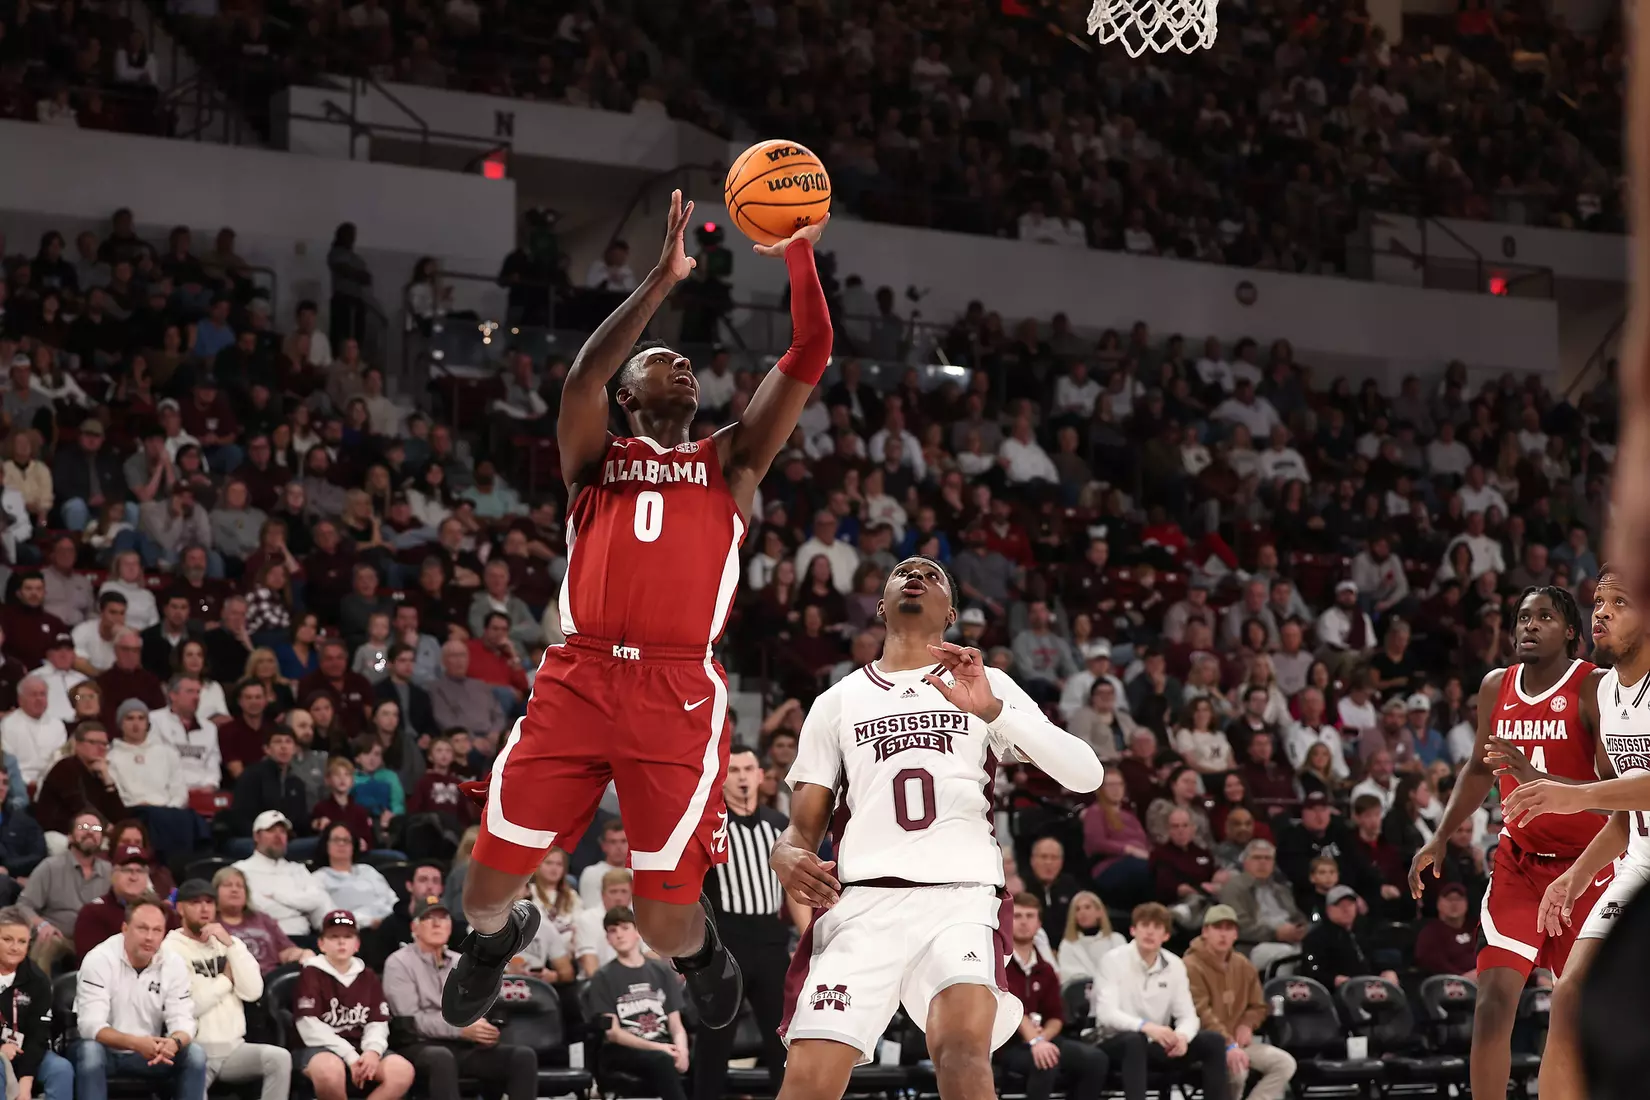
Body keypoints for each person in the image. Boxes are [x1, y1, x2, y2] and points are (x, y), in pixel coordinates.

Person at [447, 193, 833, 1031]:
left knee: (661, 923)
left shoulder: (730, 457)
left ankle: (701, 953)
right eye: (662, 360)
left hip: (676, 694)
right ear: (628, 393)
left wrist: (799, 252)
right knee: (482, 888)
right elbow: (583, 372)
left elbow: (811, 349)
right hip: (579, 677)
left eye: (689, 364)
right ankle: (493, 939)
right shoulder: (595, 454)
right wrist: (661, 280)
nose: (684, 367)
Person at [770, 557, 1103, 1100]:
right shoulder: (837, 702)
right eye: (904, 572)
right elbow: (799, 832)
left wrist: (994, 710)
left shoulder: (985, 682)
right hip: (863, 905)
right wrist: (783, 856)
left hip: (961, 902)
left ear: (950, 613)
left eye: (933, 575)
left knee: (962, 1053)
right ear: (880, 606)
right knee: (807, 1080)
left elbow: (1087, 775)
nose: (917, 577)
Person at [1408, 586, 1609, 1100]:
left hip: (1586, 870)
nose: (1530, 625)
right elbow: (1479, 768)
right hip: (1518, 866)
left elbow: (1617, 799)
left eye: (1544, 617)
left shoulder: (1594, 688)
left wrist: (1536, 775)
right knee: (1493, 1000)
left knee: (1583, 1017)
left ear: (1571, 633)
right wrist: (1439, 837)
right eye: (1523, 617)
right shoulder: (1496, 686)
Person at [1498, 567, 1650, 1100]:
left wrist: (1572, 792)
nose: (1601, 611)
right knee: (1570, 995)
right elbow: (1624, 814)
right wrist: (1576, 878)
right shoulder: (1606, 692)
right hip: (1641, 865)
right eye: (1599, 600)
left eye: (1620, 602)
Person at [692, 745, 800, 1100]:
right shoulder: (711, 825)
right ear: (722, 779)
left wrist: (809, 937)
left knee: (781, 1036)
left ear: (760, 775)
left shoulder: (778, 825)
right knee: (715, 1037)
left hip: (771, 940)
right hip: (726, 941)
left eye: (747, 769)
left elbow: (792, 890)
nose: (741, 777)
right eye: (733, 770)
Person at [384, 895, 539, 1100]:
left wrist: (484, 1029)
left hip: (464, 1046)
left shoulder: (462, 961)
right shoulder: (398, 962)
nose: (438, 923)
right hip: (419, 1045)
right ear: (414, 927)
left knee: (522, 1056)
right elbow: (411, 1019)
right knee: (441, 1058)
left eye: (443, 918)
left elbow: (480, 1003)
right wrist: (461, 1029)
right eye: (429, 918)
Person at [163, 879, 292, 1100]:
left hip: (234, 1049)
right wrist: (225, 980)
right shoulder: (170, 949)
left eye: (209, 902)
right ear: (180, 908)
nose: (204, 908)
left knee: (279, 1058)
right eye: (196, 902)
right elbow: (191, 1006)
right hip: (195, 1051)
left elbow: (253, 992)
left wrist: (231, 946)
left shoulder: (228, 943)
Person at [72, 894, 205, 1100]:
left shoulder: (173, 963)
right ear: (125, 929)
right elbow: (90, 1025)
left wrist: (174, 1042)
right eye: (142, 928)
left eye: (157, 930)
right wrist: (135, 1043)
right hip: (105, 1053)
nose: (149, 937)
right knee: (90, 1052)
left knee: (194, 1054)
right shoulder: (99, 959)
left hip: (151, 1055)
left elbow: (184, 1020)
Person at [1093, 902, 1230, 1100]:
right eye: (1144, 926)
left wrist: (1183, 1037)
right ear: (1133, 930)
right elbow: (1106, 1014)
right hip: (1114, 1042)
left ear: (1166, 936)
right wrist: (1146, 1027)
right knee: (1135, 1040)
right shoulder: (1112, 960)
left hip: (1157, 1043)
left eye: (1157, 928)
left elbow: (1188, 1016)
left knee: (1213, 1041)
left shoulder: (1175, 965)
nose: (1150, 932)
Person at [994, 894, 1110, 1100]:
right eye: (1017, 915)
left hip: (1045, 1038)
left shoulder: (1045, 968)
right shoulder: (998, 964)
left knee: (1095, 1059)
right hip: (1009, 1043)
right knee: (1046, 1062)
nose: (1023, 921)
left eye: (1030, 916)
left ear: (1038, 923)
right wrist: (1035, 1042)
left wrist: (1043, 1039)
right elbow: (1009, 1010)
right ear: (1006, 920)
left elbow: (1056, 1015)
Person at [293, 910, 415, 1100]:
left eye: (348, 936)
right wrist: (350, 1055)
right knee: (330, 1072)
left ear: (357, 944)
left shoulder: (368, 976)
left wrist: (372, 1051)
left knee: (402, 1071)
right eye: (334, 937)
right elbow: (309, 1026)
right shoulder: (311, 973)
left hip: (361, 1046)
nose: (341, 942)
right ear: (321, 944)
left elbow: (378, 1021)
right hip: (321, 1049)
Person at [1184, 904, 1297, 1100]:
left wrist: (1247, 1024)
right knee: (1237, 1072)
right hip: (1207, 1046)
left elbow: (1258, 1006)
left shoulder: (1243, 964)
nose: (1223, 934)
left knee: (1285, 1063)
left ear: (1236, 934)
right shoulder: (1190, 965)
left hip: (1241, 1044)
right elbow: (1201, 1012)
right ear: (1205, 932)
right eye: (1218, 928)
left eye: (1229, 929)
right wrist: (1228, 1044)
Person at [20, 811, 110, 969]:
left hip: (99, 943)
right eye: (83, 827)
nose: (90, 831)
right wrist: (42, 925)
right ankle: (34, 992)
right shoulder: (50, 867)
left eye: (96, 828)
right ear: (69, 836)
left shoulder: (110, 872)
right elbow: (23, 906)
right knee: (47, 940)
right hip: (61, 938)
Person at [0, 906, 73, 1100]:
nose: (15, 948)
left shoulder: (37, 980)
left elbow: (38, 1036)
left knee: (61, 1070)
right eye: (7, 939)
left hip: (24, 1051)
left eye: (22, 941)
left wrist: (26, 1080)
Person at [234, 811, 334, 937]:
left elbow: (318, 900)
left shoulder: (298, 870)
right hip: (263, 941)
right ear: (256, 836)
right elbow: (259, 909)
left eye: (282, 831)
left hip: (304, 939)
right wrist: (301, 910)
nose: (278, 836)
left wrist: (277, 896)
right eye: (271, 830)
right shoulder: (240, 870)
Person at [73, 843, 179, 959]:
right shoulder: (93, 913)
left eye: (140, 871)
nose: (134, 877)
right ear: (112, 875)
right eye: (127, 870)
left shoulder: (162, 912)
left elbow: (178, 951)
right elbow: (90, 962)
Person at [212, 867, 313, 975]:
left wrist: (303, 953)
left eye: (240, 886)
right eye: (227, 885)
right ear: (215, 892)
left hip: (270, 978)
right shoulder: (210, 922)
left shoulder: (262, 919)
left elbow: (285, 951)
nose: (234, 890)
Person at [1299, 885, 1398, 987]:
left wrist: (1386, 971)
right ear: (1328, 909)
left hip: (1369, 988)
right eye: (1340, 906)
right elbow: (1312, 971)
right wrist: (1334, 979)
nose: (1346, 910)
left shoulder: (1363, 931)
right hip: (1337, 992)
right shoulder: (1316, 938)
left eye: (1350, 904)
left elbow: (1373, 960)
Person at [1055, 890, 1127, 984]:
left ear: (1099, 912)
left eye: (1087, 907)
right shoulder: (1068, 944)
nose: (1082, 912)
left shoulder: (1116, 940)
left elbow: (1125, 971)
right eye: (1077, 909)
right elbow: (1068, 976)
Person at [1413, 882, 1479, 978]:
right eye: (1449, 899)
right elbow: (1432, 964)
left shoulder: (1477, 927)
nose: (1454, 903)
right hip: (1447, 986)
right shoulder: (1430, 932)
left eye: (1458, 899)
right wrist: (1463, 978)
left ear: (1466, 903)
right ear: (1438, 903)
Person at [575, 821, 628, 910]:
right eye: (613, 842)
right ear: (604, 845)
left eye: (623, 841)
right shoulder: (591, 873)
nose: (618, 847)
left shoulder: (638, 874)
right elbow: (591, 909)